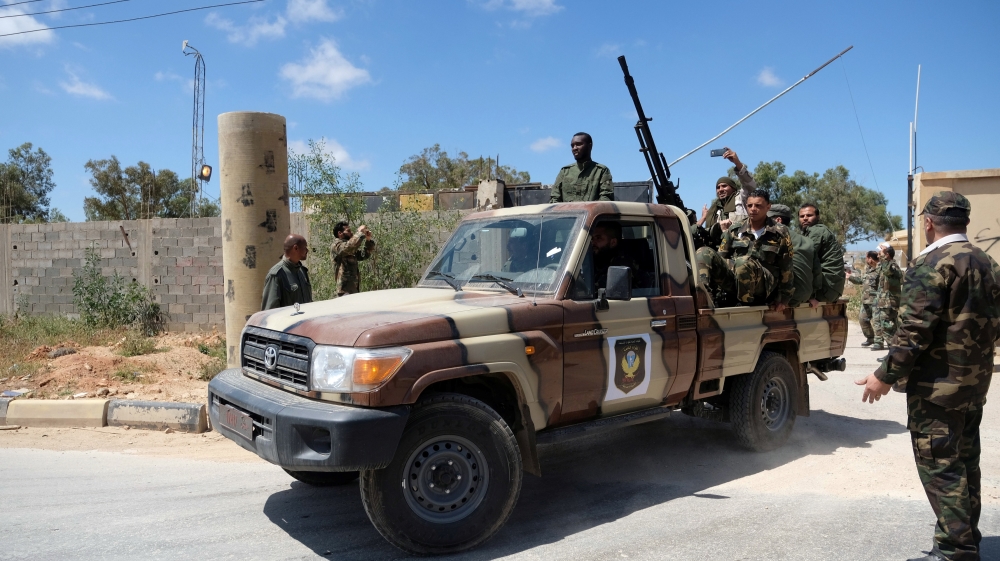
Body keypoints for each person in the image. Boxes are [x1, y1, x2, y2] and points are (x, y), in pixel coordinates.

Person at [856, 191, 1000, 561]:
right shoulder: (988, 262)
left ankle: (955, 551)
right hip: (973, 385)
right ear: (966, 221)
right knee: (965, 463)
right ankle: (966, 539)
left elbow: (913, 332)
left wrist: (884, 375)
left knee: (941, 467)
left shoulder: (931, 263)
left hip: (936, 389)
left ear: (929, 222)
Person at [695, 189, 794, 310]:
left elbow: (786, 267)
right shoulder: (735, 228)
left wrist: (784, 298)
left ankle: (744, 304)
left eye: (758, 206)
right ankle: (704, 298)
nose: (753, 209)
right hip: (736, 278)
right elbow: (721, 258)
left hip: (762, 285)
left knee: (743, 262)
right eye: (750, 205)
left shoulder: (779, 231)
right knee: (704, 252)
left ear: (768, 207)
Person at [698, 148, 756, 249]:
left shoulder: (741, 198)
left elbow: (750, 185)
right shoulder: (714, 209)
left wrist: (737, 162)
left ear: (732, 187)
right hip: (719, 248)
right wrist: (704, 217)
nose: (720, 189)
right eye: (718, 187)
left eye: (724, 186)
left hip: (741, 247)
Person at [768, 204, 820, 307]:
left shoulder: (774, 238)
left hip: (782, 299)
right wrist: (813, 296)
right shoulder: (807, 241)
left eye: (766, 220)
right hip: (804, 296)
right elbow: (817, 272)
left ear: (778, 220)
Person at [798, 203, 846, 303]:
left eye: (809, 215)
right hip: (831, 288)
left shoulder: (817, 231)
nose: (805, 218)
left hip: (825, 288)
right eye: (802, 216)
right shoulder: (811, 232)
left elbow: (804, 258)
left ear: (818, 217)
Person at [549, 133, 614, 203]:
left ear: (590, 146)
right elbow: (555, 199)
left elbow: (606, 199)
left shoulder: (601, 171)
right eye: (572, 146)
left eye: (578, 144)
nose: (574, 148)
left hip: (592, 210)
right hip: (566, 210)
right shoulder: (565, 171)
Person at [261, 234, 312, 310]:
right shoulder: (276, 275)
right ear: (296, 248)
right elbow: (269, 310)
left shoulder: (302, 271)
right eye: (305, 247)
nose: (307, 250)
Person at [871, 243, 903, 352]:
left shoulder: (892, 266)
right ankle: (893, 353)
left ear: (887, 254)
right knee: (886, 328)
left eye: (880, 253)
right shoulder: (884, 265)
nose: (878, 255)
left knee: (888, 328)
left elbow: (887, 271)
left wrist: (884, 255)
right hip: (884, 303)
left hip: (889, 303)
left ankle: (894, 353)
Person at [330, 221, 376, 296]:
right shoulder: (336, 245)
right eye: (348, 231)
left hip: (353, 289)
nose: (351, 233)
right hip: (344, 290)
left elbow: (363, 255)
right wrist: (359, 233)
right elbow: (349, 247)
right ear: (340, 233)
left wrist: (368, 240)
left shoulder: (350, 247)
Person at [590, 222, 639, 290]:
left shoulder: (622, 264)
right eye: (592, 238)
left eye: (598, 238)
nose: (593, 242)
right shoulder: (595, 260)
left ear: (613, 242)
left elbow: (599, 290)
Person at [846, 250, 880, 346]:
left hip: (876, 301)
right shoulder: (868, 270)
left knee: (878, 322)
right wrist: (849, 277)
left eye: (866, 258)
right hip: (866, 300)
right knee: (862, 319)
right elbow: (861, 281)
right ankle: (870, 338)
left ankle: (879, 341)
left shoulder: (880, 270)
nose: (865, 259)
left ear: (870, 259)